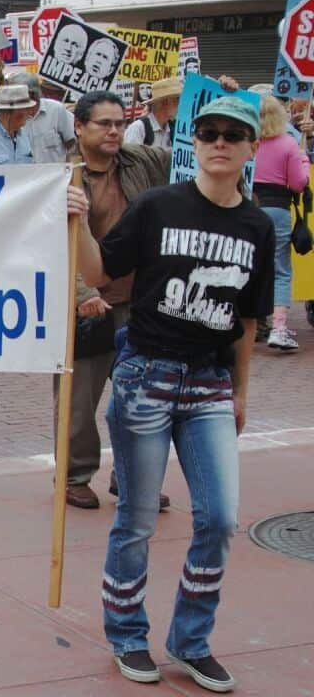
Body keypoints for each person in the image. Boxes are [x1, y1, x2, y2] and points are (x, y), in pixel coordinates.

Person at [74, 95, 274, 693]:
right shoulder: (159, 205)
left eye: (231, 135)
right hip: (146, 379)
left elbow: (247, 320)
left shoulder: (258, 224)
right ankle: (128, 636)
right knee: (135, 518)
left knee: (220, 518)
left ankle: (190, 642)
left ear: (249, 148)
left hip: (210, 386)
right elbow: (100, 273)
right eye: (209, 132)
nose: (218, 142)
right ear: (197, 140)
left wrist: (241, 393)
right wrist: (77, 221)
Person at [61, 90, 174, 511]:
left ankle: (131, 477)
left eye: (119, 124)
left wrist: (211, 103)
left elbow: (186, 153)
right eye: (103, 124)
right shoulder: (62, 175)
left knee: (142, 400)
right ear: (79, 126)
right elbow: (54, 240)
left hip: (139, 300)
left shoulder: (142, 161)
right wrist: (82, 293)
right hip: (87, 305)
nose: (113, 131)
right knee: (79, 401)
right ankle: (74, 475)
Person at [253, 94, 309, 351]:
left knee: (247, 266)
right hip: (277, 208)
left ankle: (247, 322)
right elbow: (298, 183)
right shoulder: (288, 144)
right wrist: (304, 161)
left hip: (247, 206)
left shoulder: (247, 143)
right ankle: (279, 327)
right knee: (280, 270)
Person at [6, 72, 76, 164]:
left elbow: (72, 144)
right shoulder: (11, 115)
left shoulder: (56, 110)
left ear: (33, 94)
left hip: (56, 176)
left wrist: (68, 168)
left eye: (19, 94)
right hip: (25, 175)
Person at [124, 78, 181, 149]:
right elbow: (130, 159)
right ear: (165, 102)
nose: (180, 104)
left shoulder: (174, 129)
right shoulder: (138, 128)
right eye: (177, 100)